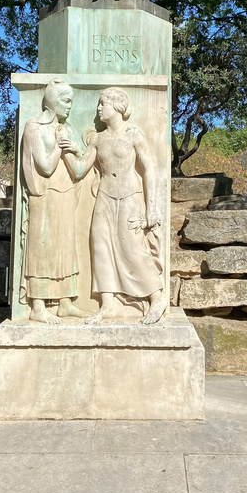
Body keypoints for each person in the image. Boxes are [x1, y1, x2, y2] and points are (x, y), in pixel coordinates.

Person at [59, 87, 165, 325]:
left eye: (103, 104)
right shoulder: (97, 139)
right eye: (98, 104)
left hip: (130, 198)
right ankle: (107, 305)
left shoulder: (133, 135)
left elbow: (149, 168)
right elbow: (79, 170)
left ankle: (157, 298)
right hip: (105, 199)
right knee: (102, 248)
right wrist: (67, 150)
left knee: (133, 249)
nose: (98, 109)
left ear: (117, 106)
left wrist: (152, 208)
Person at [20, 79, 86, 324]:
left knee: (65, 246)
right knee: (42, 247)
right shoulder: (34, 127)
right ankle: (37, 305)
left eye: (71, 101)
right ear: (52, 101)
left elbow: (76, 167)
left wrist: (76, 149)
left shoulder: (64, 128)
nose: (69, 107)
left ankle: (65, 303)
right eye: (66, 101)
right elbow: (46, 166)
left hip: (65, 191)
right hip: (44, 195)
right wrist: (60, 146)